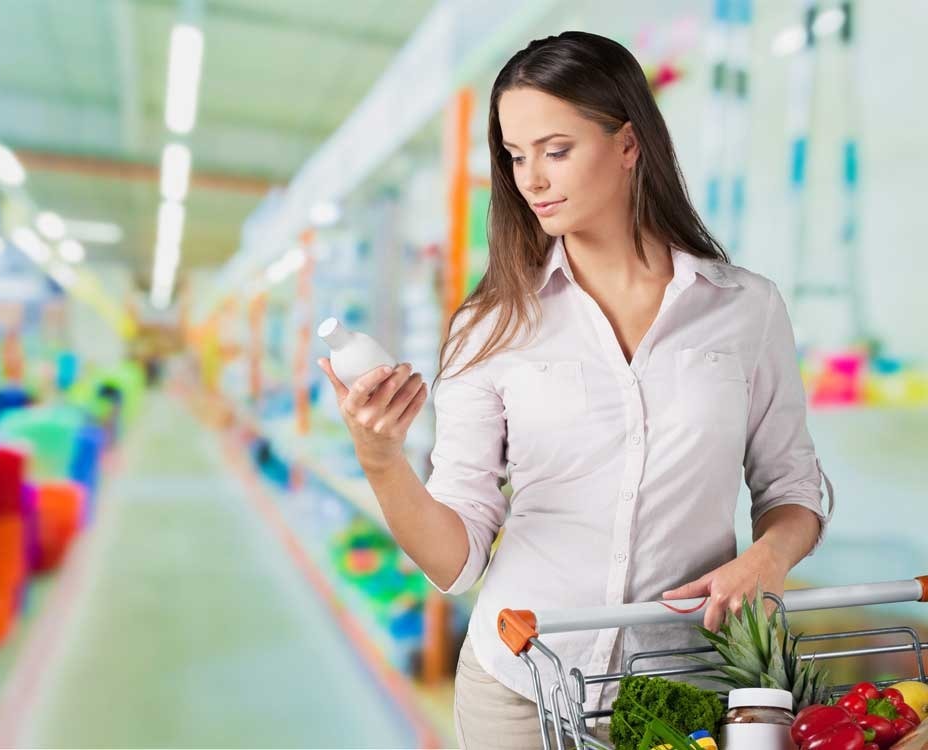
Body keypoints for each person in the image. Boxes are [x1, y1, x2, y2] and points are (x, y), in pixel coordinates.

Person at [317, 31, 834, 750]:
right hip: (523, 682)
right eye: (515, 155)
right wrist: (381, 459)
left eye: (555, 150)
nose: (531, 179)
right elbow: (456, 559)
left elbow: (794, 487)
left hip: (679, 685)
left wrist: (768, 556)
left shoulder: (746, 308)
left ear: (628, 144)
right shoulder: (490, 323)